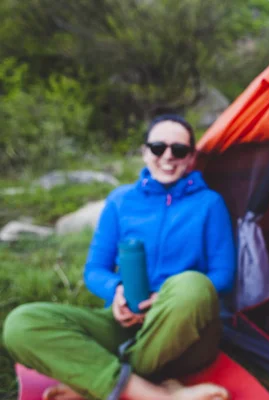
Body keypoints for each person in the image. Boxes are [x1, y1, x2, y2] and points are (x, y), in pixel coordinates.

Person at [3, 115, 236, 400]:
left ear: (190, 158)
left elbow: (223, 276)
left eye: (178, 150)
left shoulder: (210, 203)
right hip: (124, 324)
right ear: (144, 152)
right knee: (21, 323)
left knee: (193, 285)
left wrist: (165, 298)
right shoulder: (120, 200)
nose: (167, 157)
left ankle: (97, 380)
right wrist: (116, 292)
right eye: (158, 147)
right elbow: (95, 270)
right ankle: (157, 393)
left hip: (185, 333)